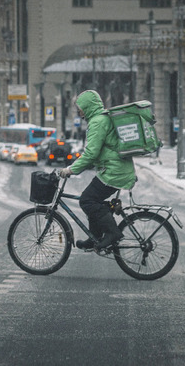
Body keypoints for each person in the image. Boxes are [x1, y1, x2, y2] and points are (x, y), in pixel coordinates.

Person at [59, 90, 137, 251]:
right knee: (92, 201)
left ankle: (112, 233)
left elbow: (91, 153)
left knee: (87, 200)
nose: (79, 111)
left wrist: (71, 170)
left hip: (114, 171)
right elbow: (96, 154)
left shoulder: (97, 122)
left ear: (87, 107)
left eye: (80, 107)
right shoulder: (101, 118)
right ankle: (95, 237)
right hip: (115, 169)